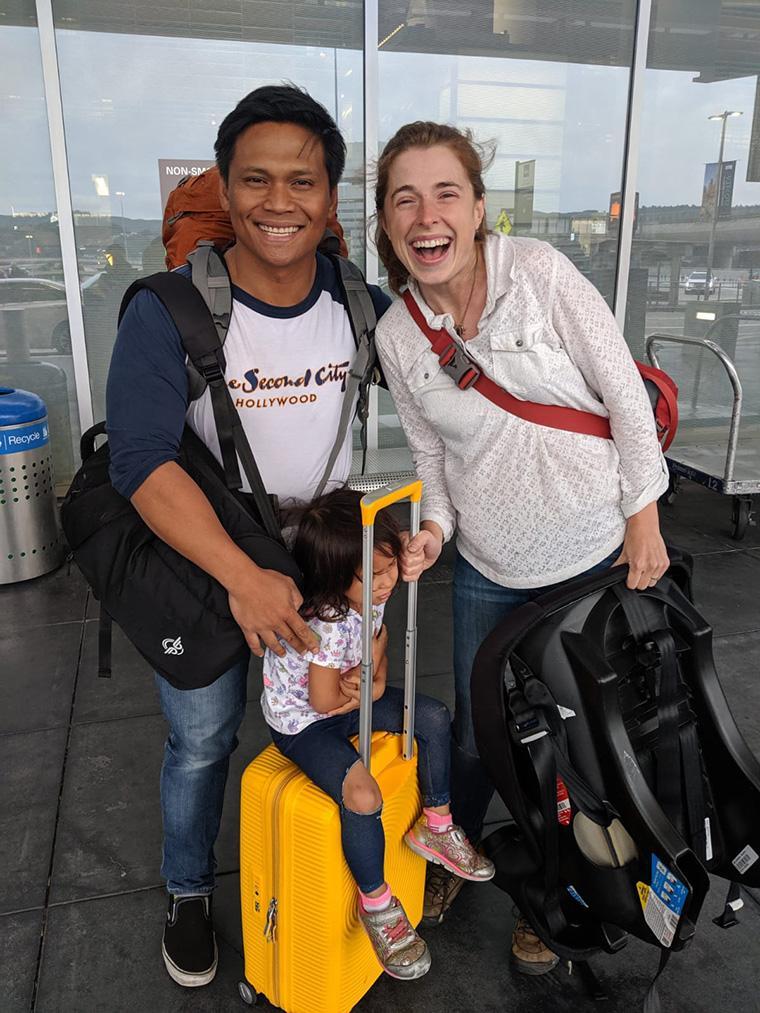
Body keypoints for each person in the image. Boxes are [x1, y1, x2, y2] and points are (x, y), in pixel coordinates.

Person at [105, 85, 391, 988]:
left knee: (325, 714)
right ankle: (190, 890)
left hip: (321, 572)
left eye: (302, 181)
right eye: (256, 179)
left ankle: (303, 877)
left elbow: (449, 399)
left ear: (329, 196)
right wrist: (239, 575)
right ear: (225, 191)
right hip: (206, 567)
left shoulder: (363, 304)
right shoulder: (170, 310)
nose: (279, 202)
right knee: (202, 740)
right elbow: (142, 461)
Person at [372, 122, 670, 972]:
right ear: (389, 226)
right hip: (489, 568)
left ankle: (560, 892)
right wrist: (435, 530)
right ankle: (458, 850)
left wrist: (642, 513)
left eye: (444, 193)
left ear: (476, 209)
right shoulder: (399, 335)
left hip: (590, 553)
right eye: (404, 199)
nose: (426, 215)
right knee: (479, 736)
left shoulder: (537, 273)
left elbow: (620, 388)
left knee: (584, 738)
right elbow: (433, 455)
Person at [263, 487, 494, 980]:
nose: (389, 582)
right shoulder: (322, 624)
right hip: (306, 723)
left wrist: (378, 678)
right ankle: (378, 905)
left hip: (349, 695)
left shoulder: (368, 594)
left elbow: (378, 638)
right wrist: (365, 688)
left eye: (391, 569)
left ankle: (436, 824)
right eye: (377, 574)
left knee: (430, 716)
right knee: (363, 796)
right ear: (334, 577)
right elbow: (325, 701)